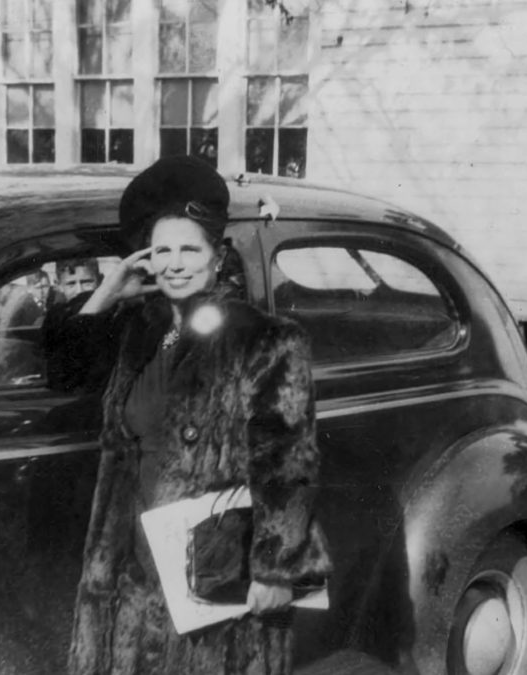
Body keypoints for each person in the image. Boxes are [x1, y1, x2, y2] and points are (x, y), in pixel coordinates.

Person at [54, 156, 331, 675]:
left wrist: (274, 569)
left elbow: (288, 462)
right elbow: (64, 371)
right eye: (162, 251)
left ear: (217, 257)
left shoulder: (264, 339)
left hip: (214, 576)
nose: (175, 264)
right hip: (134, 569)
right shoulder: (140, 332)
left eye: (189, 249)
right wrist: (109, 290)